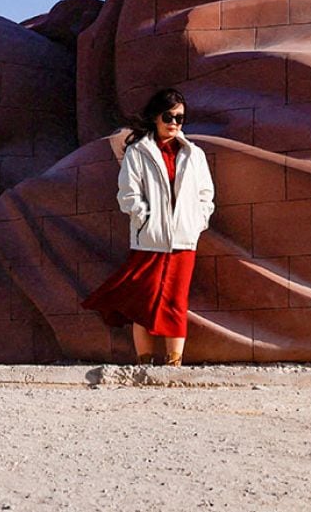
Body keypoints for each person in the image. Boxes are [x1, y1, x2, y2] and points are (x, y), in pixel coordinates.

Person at [80, 88, 214, 366]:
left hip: (183, 241)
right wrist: (145, 218)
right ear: (156, 117)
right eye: (169, 116)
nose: (175, 123)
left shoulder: (194, 155)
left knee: (176, 302)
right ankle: (144, 362)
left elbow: (206, 195)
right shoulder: (138, 152)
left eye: (180, 118)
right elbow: (127, 195)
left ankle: (174, 363)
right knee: (143, 302)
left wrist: (197, 223)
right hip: (149, 240)